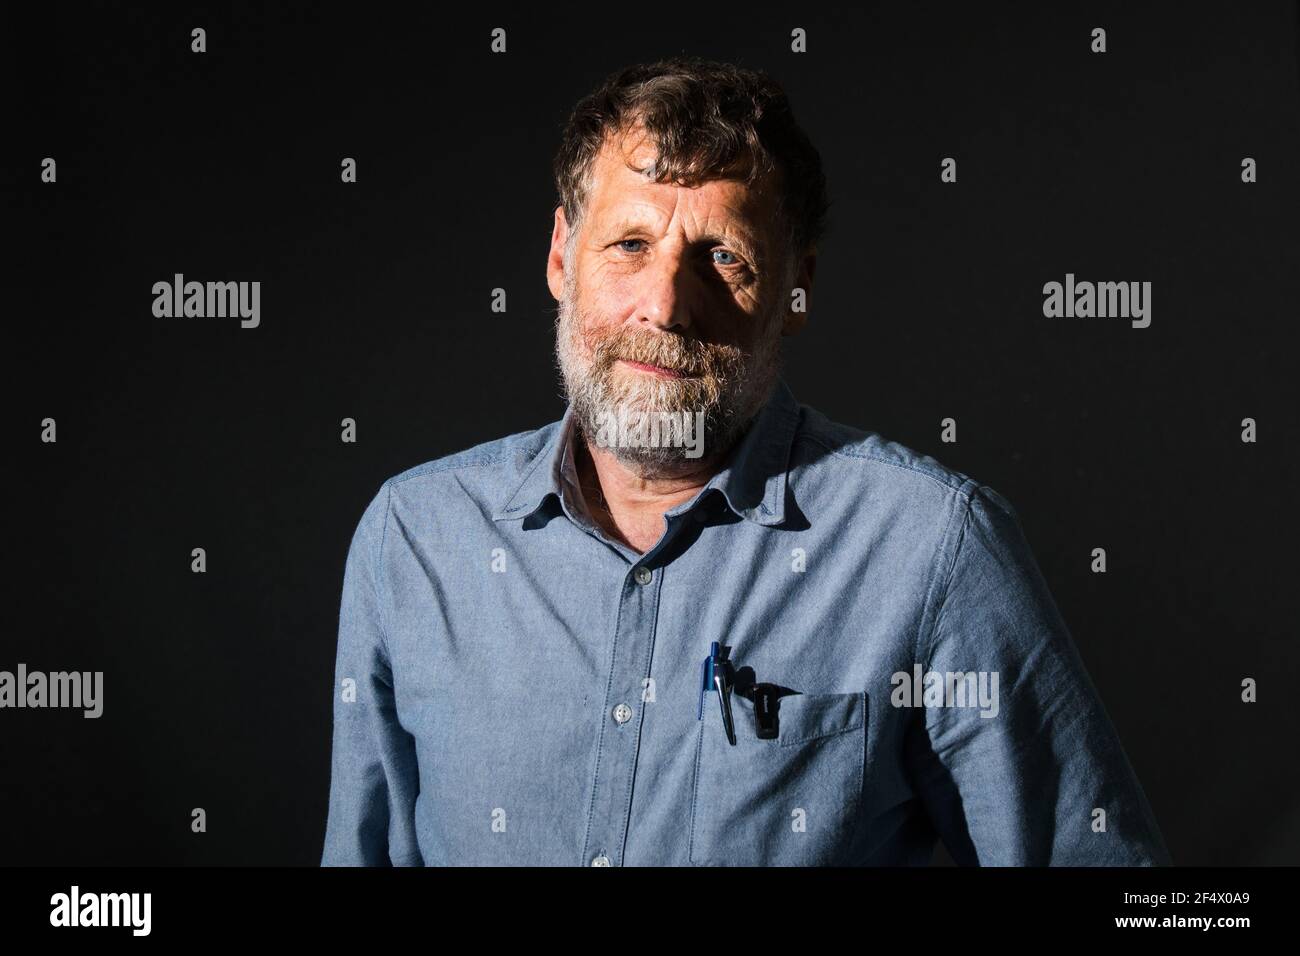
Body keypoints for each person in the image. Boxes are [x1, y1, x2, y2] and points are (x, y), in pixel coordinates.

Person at [321, 56, 1171, 866]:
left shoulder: (931, 551)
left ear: (795, 290)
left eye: (723, 257)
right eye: (628, 245)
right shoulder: (415, 539)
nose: (665, 305)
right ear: (559, 257)